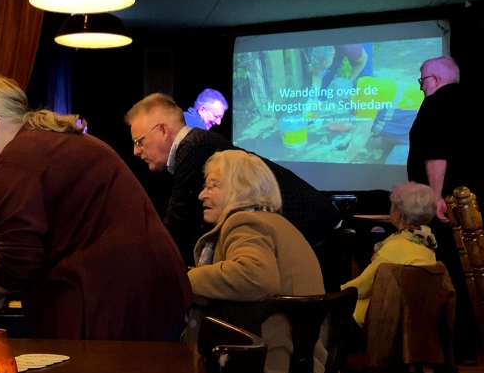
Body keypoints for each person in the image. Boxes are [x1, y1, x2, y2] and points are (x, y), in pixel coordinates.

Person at [0, 74, 192, 340]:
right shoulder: (43, 143)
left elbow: (20, 260)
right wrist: (0, 278)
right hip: (149, 292)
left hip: (124, 299)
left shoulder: (15, 160)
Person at [182, 149, 348, 373]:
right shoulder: (279, 224)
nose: (201, 194)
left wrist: (183, 281)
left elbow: (255, 276)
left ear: (240, 188)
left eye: (212, 185)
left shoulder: (244, 223)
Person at [126, 93, 341, 260]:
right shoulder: (196, 144)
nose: (136, 151)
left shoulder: (192, 146)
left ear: (163, 130)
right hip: (312, 231)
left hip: (313, 234)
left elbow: (177, 228)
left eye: (140, 141)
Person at [408, 55, 484, 362]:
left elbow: (436, 153)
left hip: (451, 206)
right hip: (482, 205)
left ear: (435, 80)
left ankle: (458, 346)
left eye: (422, 81)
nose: (422, 87)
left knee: (453, 273)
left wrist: (436, 196)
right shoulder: (476, 103)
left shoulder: (436, 103)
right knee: (481, 272)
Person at [341, 182, 439, 328]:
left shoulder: (395, 247)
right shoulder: (427, 242)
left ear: (398, 212)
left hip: (377, 318)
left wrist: (334, 291)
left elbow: (361, 288)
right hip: (409, 318)